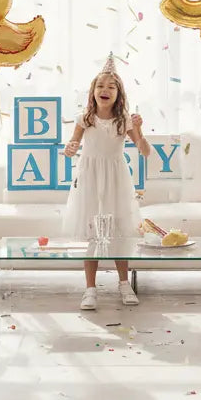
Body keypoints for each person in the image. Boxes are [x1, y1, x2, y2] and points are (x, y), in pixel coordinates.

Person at [61, 57, 151, 311]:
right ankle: (90, 289)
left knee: (119, 232)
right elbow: (73, 146)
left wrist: (140, 132)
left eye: (111, 87)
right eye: (100, 86)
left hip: (116, 177)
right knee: (93, 233)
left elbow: (145, 151)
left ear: (118, 94)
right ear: (93, 92)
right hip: (90, 177)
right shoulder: (84, 119)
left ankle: (124, 284)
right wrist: (69, 149)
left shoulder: (125, 120)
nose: (105, 90)